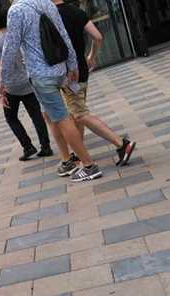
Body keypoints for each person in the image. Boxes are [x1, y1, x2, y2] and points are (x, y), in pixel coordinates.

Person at [0, 0, 102, 183]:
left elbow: (10, 48)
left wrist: (2, 80)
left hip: (41, 75)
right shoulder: (47, 3)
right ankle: (67, 161)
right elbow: (64, 36)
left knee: (62, 118)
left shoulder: (16, 10)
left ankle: (88, 165)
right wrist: (72, 65)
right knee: (51, 116)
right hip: (60, 69)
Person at [52, 0, 136, 175]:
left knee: (80, 114)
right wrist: (92, 56)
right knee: (77, 113)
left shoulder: (51, 16)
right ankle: (78, 151)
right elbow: (97, 36)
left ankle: (121, 143)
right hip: (82, 69)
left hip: (69, 74)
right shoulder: (76, 11)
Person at [0, 7, 53, 162]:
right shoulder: (18, 34)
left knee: (11, 117)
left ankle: (28, 147)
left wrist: (0, 91)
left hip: (10, 87)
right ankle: (45, 146)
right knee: (36, 115)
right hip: (28, 82)